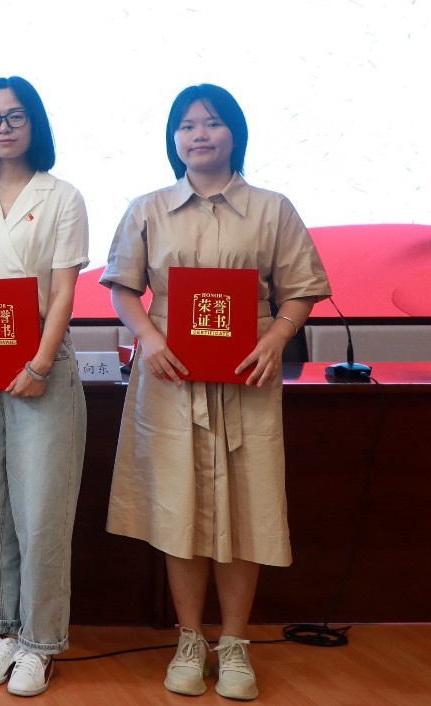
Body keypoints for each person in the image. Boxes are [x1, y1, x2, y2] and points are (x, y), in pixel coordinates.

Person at [102, 84, 330, 701]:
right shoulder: (148, 207)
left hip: (246, 374)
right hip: (171, 374)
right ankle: (189, 638)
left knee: (245, 504)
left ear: (235, 133)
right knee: (179, 503)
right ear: (173, 139)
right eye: (186, 125)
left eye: (211, 123)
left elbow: (301, 287)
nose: (198, 135)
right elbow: (122, 286)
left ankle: (234, 644)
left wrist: (277, 337)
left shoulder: (272, 208)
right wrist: (148, 337)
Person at [0, 76, 88, 698]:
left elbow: (64, 291)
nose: (2, 127)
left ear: (35, 124)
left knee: (41, 511)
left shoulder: (63, 196)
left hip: (40, 369)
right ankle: (1, 630)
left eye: (14, 116)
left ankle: (40, 642)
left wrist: (40, 363)